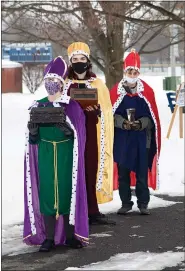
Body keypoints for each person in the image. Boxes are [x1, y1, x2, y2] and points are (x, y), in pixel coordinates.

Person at [23, 56, 89, 252]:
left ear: (61, 83)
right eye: (48, 81)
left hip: (66, 153)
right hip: (44, 153)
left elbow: (80, 132)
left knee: (67, 191)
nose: (51, 84)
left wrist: (69, 130)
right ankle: (49, 238)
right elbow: (31, 141)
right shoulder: (38, 105)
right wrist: (33, 133)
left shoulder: (72, 106)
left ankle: (69, 236)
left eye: (55, 81)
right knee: (47, 194)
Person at [65, 42, 115, 225]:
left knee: (91, 169)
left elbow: (107, 110)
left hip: (92, 134)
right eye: (75, 59)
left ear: (88, 61)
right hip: (71, 135)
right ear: (71, 63)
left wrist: (97, 112)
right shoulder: (65, 84)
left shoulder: (97, 83)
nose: (79, 62)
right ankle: (74, 211)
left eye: (82, 59)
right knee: (73, 171)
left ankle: (92, 210)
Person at [110, 49, 161, 215]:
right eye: (129, 71)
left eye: (135, 71)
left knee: (141, 173)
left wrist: (141, 123)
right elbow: (110, 114)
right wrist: (122, 123)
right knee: (123, 173)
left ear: (139, 72)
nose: (132, 74)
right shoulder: (115, 91)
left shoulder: (146, 91)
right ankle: (126, 203)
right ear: (125, 71)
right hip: (122, 138)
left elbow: (152, 117)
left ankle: (143, 203)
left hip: (141, 139)